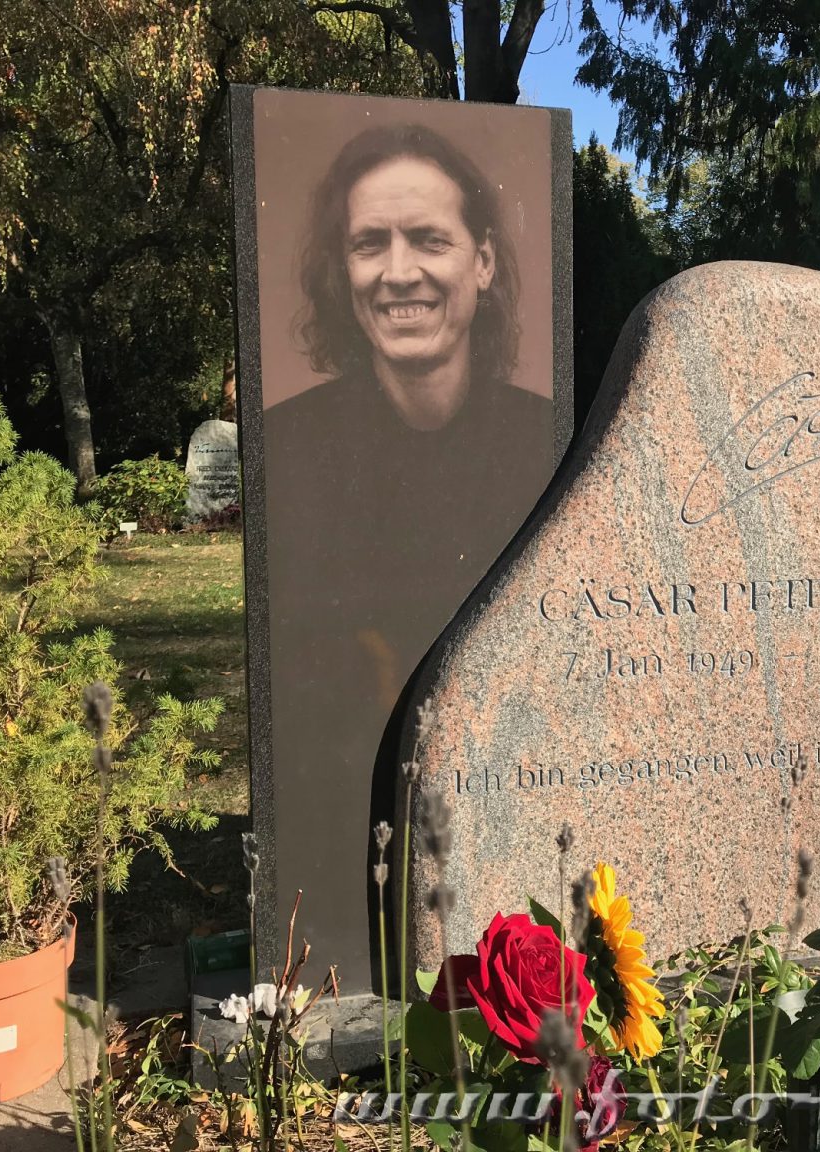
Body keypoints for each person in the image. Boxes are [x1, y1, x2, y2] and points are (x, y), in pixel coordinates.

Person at [259, 122, 557, 987]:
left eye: (429, 239)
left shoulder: (549, 441)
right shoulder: (291, 445)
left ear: (484, 262)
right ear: (341, 269)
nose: (398, 272)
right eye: (369, 244)